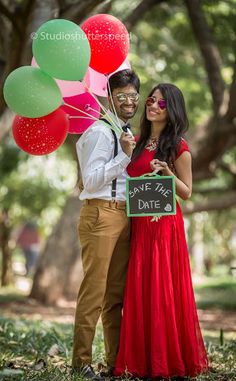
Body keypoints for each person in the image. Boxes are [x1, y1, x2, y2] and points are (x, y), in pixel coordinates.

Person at [114, 83, 208, 378]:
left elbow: (188, 192)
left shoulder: (179, 146)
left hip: (165, 227)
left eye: (162, 103)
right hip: (139, 227)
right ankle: (140, 361)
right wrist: (125, 152)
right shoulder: (137, 141)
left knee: (163, 290)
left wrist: (168, 172)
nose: (153, 105)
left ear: (173, 110)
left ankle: (167, 360)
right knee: (141, 290)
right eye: (151, 100)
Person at [72, 69, 140, 380]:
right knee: (94, 292)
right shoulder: (100, 132)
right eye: (122, 96)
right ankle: (80, 363)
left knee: (115, 296)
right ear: (109, 97)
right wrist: (124, 157)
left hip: (124, 216)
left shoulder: (124, 132)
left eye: (133, 96)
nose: (129, 101)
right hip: (100, 214)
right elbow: (92, 180)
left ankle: (114, 364)